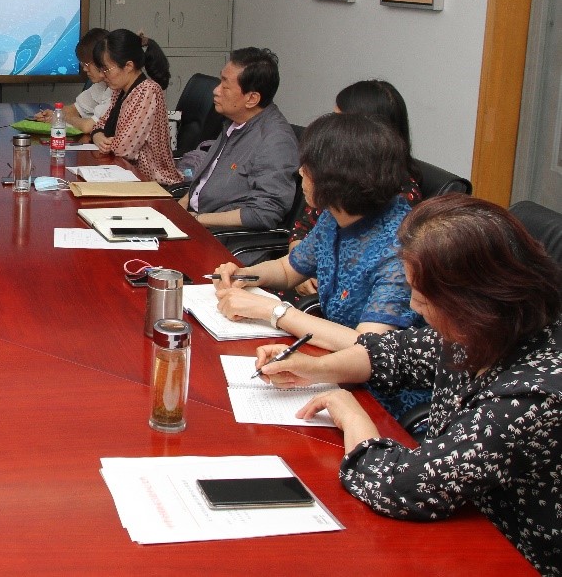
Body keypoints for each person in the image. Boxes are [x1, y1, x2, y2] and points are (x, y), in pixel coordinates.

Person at [257, 195, 562, 574]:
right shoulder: (486, 330)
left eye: (423, 297)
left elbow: (397, 485)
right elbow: (394, 352)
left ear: (473, 300)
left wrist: (353, 417)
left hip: (507, 553)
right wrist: (314, 368)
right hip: (459, 521)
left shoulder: (532, 395)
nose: (415, 307)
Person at [213, 112, 424, 417]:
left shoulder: (400, 248)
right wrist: (244, 275)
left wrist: (274, 312)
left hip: (381, 397)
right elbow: (288, 270)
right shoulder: (337, 216)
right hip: (327, 368)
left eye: (309, 166)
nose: (300, 172)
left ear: (337, 178)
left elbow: (369, 346)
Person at [290, 79, 423, 298]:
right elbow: (303, 230)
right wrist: (300, 271)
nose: (331, 128)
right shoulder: (331, 188)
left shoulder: (395, 203)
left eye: (338, 120)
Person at [178, 47, 299, 230]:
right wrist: (179, 209)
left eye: (225, 86)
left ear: (252, 99)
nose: (216, 90)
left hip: (221, 236)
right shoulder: (235, 121)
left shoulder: (276, 141)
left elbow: (264, 212)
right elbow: (205, 180)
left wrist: (198, 219)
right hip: (196, 219)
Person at [83, 30, 180, 184]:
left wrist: (104, 139)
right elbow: (100, 124)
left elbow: (123, 149)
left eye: (106, 69)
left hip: (152, 182)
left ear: (128, 66)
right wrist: (98, 136)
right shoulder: (120, 90)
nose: (102, 75)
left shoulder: (147, 91)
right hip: (124, 174)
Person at [31, 27, 113, 133]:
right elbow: (74, 109)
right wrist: (54, 115)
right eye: (82, 64)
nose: (84, 69)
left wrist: (63, 117)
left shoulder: (117, 89)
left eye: (87, 64)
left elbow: (88, 127)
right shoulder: (101, 85)